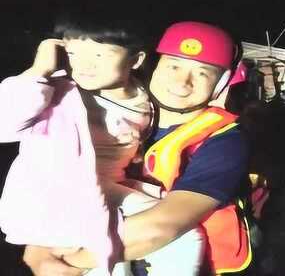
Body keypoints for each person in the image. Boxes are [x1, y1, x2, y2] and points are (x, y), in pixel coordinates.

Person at [22, 21, 252, 276]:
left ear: (221, 84)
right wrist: (40, 248)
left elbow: (163, 225)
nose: (182, 82)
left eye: (202, 73)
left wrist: (72, 262)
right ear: (153, 66)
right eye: (173, 65)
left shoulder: (224, 142)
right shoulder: (122, 115)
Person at [0, 19, 154, 274]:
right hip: (60, 196)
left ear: (135, 60)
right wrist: (39, 71)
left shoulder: (148, 96)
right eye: (73, 53)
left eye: (99, 54)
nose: (84, 65)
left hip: (113, 189)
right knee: (182, 234)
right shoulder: (57, 91)